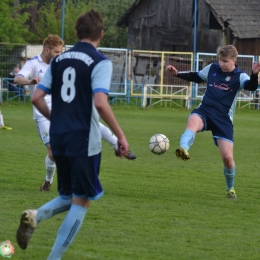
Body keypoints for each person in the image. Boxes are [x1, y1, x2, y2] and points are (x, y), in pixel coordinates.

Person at [16, 9, 129, 259]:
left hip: (59, 136)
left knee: (67, 195)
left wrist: (56, 120)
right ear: (101, 33)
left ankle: (36, 216)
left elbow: (36, 97)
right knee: (82, 201)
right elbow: (100, 102)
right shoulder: (100, 61)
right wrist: (120, 136)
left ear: (76, 33)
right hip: (84, 139)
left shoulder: (57, 61)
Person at [15, 35, 136, 192]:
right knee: (53, 153)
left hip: (65, 109)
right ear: (47, 50)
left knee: (92, 123)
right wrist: (30, 82)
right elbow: (18, 78)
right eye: (57, 52)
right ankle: (48, 180)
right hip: (43, 115)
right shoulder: (33, 64)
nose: (60, 55)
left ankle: (118, 147)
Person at [166, 45, 260, 200]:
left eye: (225, 61)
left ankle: (230, 189)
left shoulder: (240, 76)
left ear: (234, 60)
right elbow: (197, 76)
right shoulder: (212, 69)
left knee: (228, 160)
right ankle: (183, 149)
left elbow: (250, 86)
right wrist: (177, 74)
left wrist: (254, 74)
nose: (222, 64)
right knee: (192, 123)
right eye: (220, 60)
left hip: (223, 119)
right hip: (205, 110)